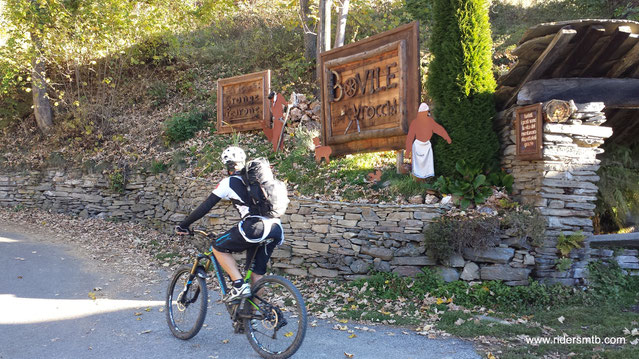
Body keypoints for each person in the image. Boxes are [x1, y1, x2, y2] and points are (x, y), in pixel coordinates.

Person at [175, 146, 284, 302]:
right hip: (275, 228)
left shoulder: (229, 182)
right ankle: (252, 319)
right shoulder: (258, 181)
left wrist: (183, 225)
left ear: (227, 165)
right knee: (256, 274)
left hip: (254, 228)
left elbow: (206, 206)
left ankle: (239, 285)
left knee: (218, 247)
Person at [405, 103, 452, 180]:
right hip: (417, 146)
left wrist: (447, 137)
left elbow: (439, 129)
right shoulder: (415, 122)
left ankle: (425, 181)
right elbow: (410, 138)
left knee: (427, 167)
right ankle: (417, 181)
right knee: (416, 167)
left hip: (427, 146)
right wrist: (407, 152)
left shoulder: (429, 121)